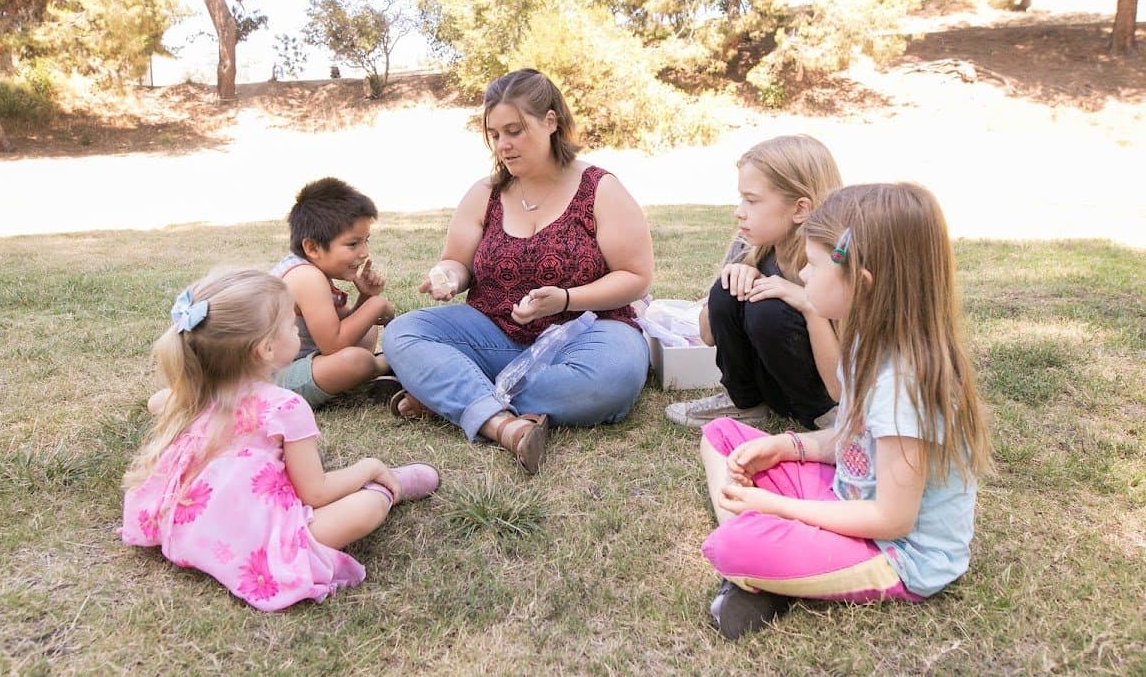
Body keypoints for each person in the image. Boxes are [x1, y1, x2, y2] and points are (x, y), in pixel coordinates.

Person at [699, 183, 992, 638]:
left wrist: (776, 506)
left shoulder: (904, 384)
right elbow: (853, 439)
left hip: (896, 552)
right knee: (720, 436)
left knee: (733, 544)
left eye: (813, 266)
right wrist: (789, 446)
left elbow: (893, 519)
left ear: (862, 282)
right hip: (847, 497)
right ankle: (774, 569)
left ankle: (764, 570)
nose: (802, 276)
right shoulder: (864, 341)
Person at [383, 68, 654, 474]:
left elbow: (635, 277)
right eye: (494, 135)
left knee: (612, 379)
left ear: (550, 121)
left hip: (587, 333)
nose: (503, 145)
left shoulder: (600, 188)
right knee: (402, 333)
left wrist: (565, 298)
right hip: (496, 333)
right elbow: (457, 261)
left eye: (514, 130)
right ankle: (498, 420)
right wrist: (449, 277)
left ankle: (451, 395)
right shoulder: (485, 194)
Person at [121, 269, 439, 612]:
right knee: (365, 509)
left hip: (193, 528)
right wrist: (368, 467)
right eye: (292, 326)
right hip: (253, 538)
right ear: (266, 349)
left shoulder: (193, 393)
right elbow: (315, 492)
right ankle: (386, 486)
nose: (297, 331)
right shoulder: (285, 407)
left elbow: (157, 402)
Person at [664, 134, 843, 431]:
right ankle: (744, 403)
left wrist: (806, 304)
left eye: (752, 200)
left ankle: (825, 419)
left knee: (768, 310)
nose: (739, 211)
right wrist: (734, 280)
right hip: (773, 386)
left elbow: (846, 375)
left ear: (800, 209)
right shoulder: (749, 247)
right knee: (727, 290)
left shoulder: (833, 260)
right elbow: (707, 337)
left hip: (829, 394)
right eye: (741, 198)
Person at [270, 177, 397, 409]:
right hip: (274, 381)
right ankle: (386, 366)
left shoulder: (311, 270)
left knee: (365, 330)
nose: (364, 253)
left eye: (365, 241)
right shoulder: (307, 278)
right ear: (312, 247)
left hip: (303, 360)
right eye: (352, 244)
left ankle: (378, 364)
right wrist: (376, 305)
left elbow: (344, 326)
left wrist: (366, 297)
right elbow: (334, 345)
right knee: (356, 361)